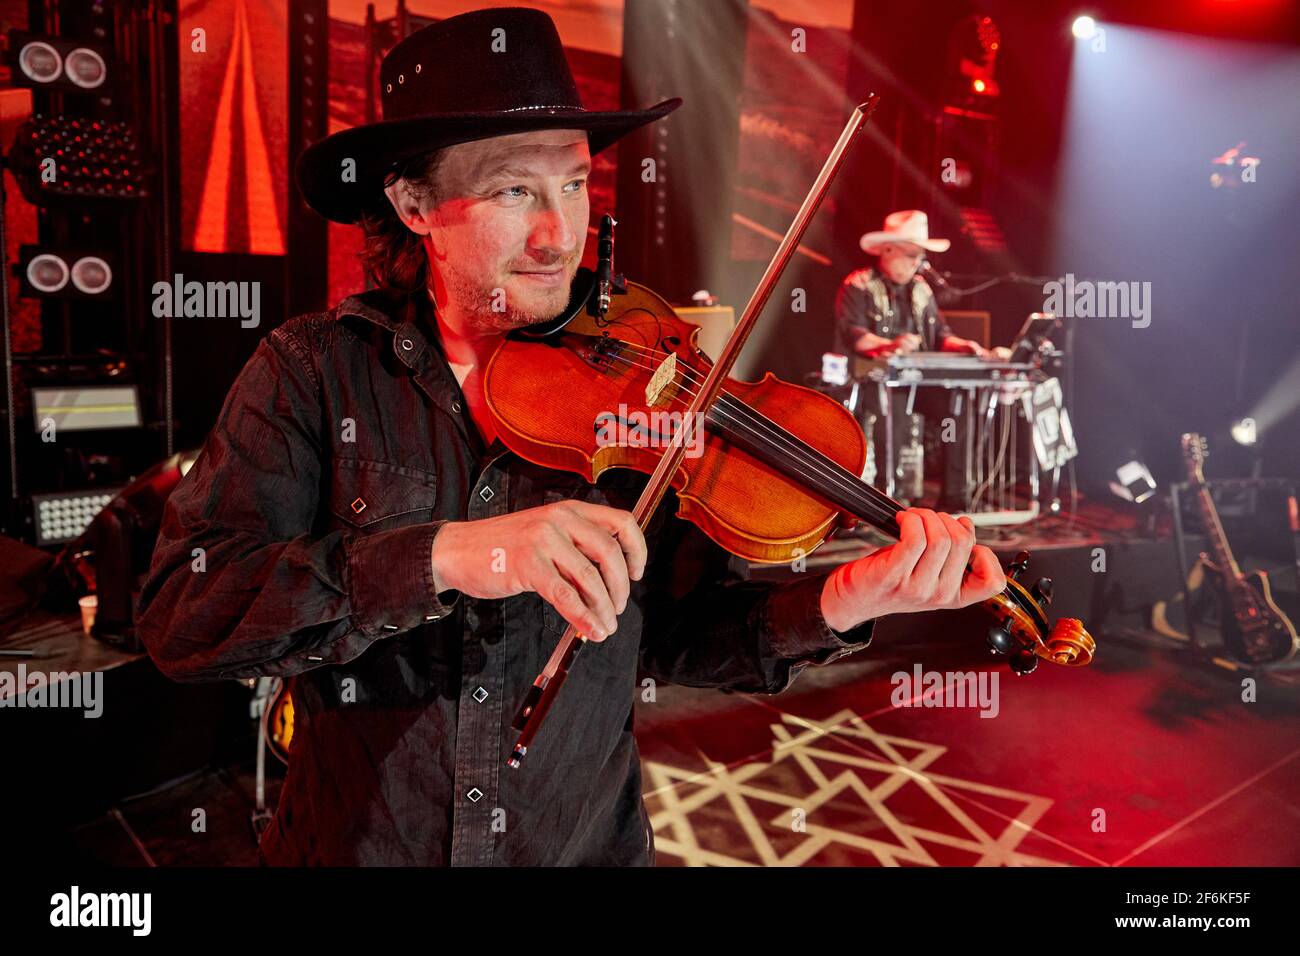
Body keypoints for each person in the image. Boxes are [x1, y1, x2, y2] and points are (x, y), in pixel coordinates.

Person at [136, 9, 1004, 866]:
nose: (560, 234)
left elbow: (679, 632)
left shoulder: (640, 386)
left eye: (576, 184)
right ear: (413, 203)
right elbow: (184, 616)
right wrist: (445, 555)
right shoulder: (313, 371)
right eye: (516, 189)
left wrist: (843, 599)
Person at [834, 210, 1004, 509]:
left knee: (957, 405)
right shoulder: (858, 285)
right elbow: (857, 337)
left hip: (918, 381)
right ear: (887, 250)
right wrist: (893, 344)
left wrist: (965, 346)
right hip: (871, 380)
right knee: (895, 401)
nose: (917, 263)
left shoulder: (922, 289)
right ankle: (890, 496)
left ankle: (955, 497)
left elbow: (941, 336)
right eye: (910, 255)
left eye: (919, 256)